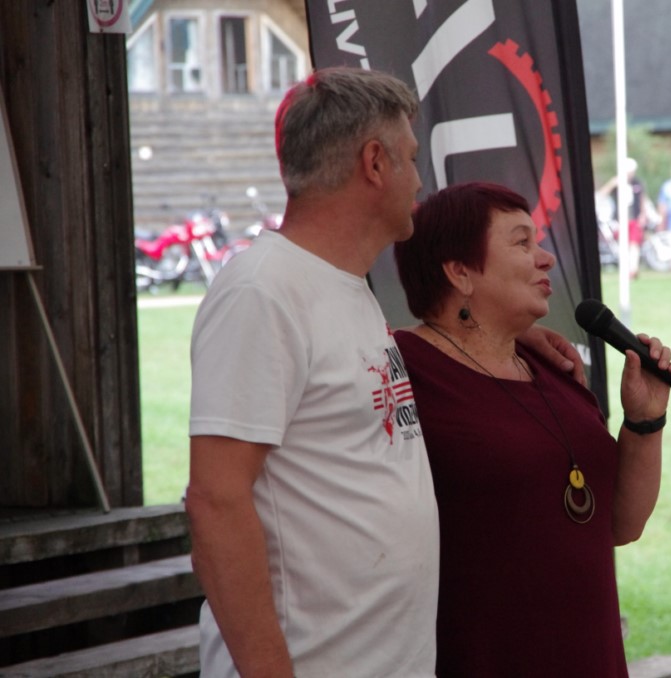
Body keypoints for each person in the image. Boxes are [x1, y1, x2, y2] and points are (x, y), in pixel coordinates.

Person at [186, 67, 583, 678]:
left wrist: (500, 330)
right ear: (375, 163)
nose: (420, 181)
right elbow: (216, 500)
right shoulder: (262, 292)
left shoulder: (346, 288)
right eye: (412, 158)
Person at [392, 181, 671, 677]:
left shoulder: (549, 363)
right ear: (460, 272)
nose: (545, 259)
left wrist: (645, 421)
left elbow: (621, 524)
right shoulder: (404, 368)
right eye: (522, 243)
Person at [599, 157, 648, 279]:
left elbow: (642, 199)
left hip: (634, 218)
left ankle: (633, 269)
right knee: (623, 245)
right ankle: (626, 269)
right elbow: (602, 194)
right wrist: (612, 183)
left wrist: (643, 215)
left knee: (634, 244)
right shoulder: (617, 182)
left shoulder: (637, 183)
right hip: (620, 220)